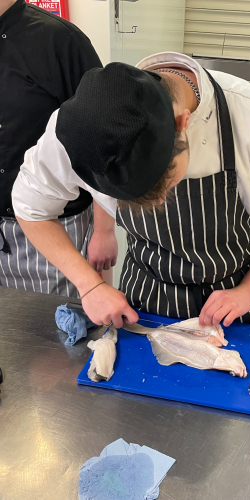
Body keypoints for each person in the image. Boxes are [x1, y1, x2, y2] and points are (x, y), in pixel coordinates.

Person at [12, 52, 250, 328]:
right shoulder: (70, 132)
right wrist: (89, 285)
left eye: (164, 186)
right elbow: (31, 209)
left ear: (182, 123)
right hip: (147, 289)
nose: (161, 204)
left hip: (238, 290)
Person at [0, 0, 107, 296]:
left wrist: (104, 229)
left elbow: (100, 139)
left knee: (60, 334)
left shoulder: (62, 41)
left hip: (55, 226)